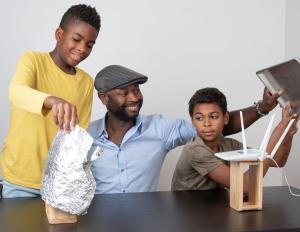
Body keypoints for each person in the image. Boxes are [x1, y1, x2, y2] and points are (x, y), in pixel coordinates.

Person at [88, 65, 279, 194]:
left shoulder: (159, 129)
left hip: (144, 222)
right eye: (124, 93)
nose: (134, 98)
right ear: (104, 98)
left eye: (136, 90)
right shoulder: (85, 136)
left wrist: (263, 107)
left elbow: (216, 125)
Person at [0, 4, 101, 198]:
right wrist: (52, 101)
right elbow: (16, 92)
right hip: (20, 180)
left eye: (90, 44)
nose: (82, 49)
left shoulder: (86, 82)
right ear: (59, 34)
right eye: (77, 39)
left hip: (59, 184)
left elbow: (79, 135)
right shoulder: (33, 60)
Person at [171, 87, 299, 192]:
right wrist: (280, 127)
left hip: (212, 210)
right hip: (188, 213)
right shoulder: (195, 150)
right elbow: (244, 186)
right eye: (199, 118)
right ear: (192, 121)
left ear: (225, 118)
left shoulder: (229, 145)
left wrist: (287, 132)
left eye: (214, 116)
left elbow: (277, 160)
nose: (207, 123)